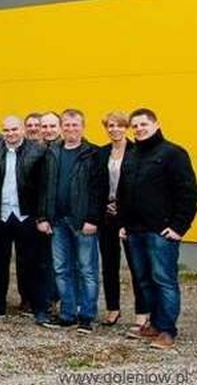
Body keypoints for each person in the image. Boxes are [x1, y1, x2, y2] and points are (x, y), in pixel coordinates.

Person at [117, 108, 196, 351]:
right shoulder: (132, 154)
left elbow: (188, 193)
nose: (139, 129)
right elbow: (123, 192)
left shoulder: (173, 153)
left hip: (161, 231)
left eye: (144, 124)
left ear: (156, 124)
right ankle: (154, 324)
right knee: (143, 280)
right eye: (135, 126)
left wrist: (179, 227)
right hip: (134, 231)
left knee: (164, 280)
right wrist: (123, 223)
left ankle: (167, 330)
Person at [0, 116, 51, 324]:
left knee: (32, 264)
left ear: (22, 130)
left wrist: (42, 216)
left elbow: (44, 187)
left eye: (14, 129)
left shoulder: (38, 152)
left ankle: (39, 308)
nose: (10, 134)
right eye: (7, 130)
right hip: (0, 215)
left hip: (27, 215)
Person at [37, 109, 105, 332]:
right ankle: (68, 314)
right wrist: (42, 216)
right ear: (61, 128)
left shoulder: (93, 153)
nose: (70, 129)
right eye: (66, 125)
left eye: (75, 125)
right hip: (57, 220)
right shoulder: (52, 153)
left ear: (82, 127)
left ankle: (86, 315)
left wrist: (93, 218)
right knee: (61, 269)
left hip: (82, 221)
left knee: (87, 270)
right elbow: (44, 187)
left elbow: (99, 190)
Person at [96, 111, 141, 331]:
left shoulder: (137, 152)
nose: (115, 129)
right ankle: (112, 308)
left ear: (126, 128)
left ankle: (142, 312)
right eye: (111, 126)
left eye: (120, 125)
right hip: (107, 215)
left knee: (136, 265)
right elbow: (97, 183)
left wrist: (123, 206)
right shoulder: (102, 152)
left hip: (129, 216)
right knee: (109, 264)